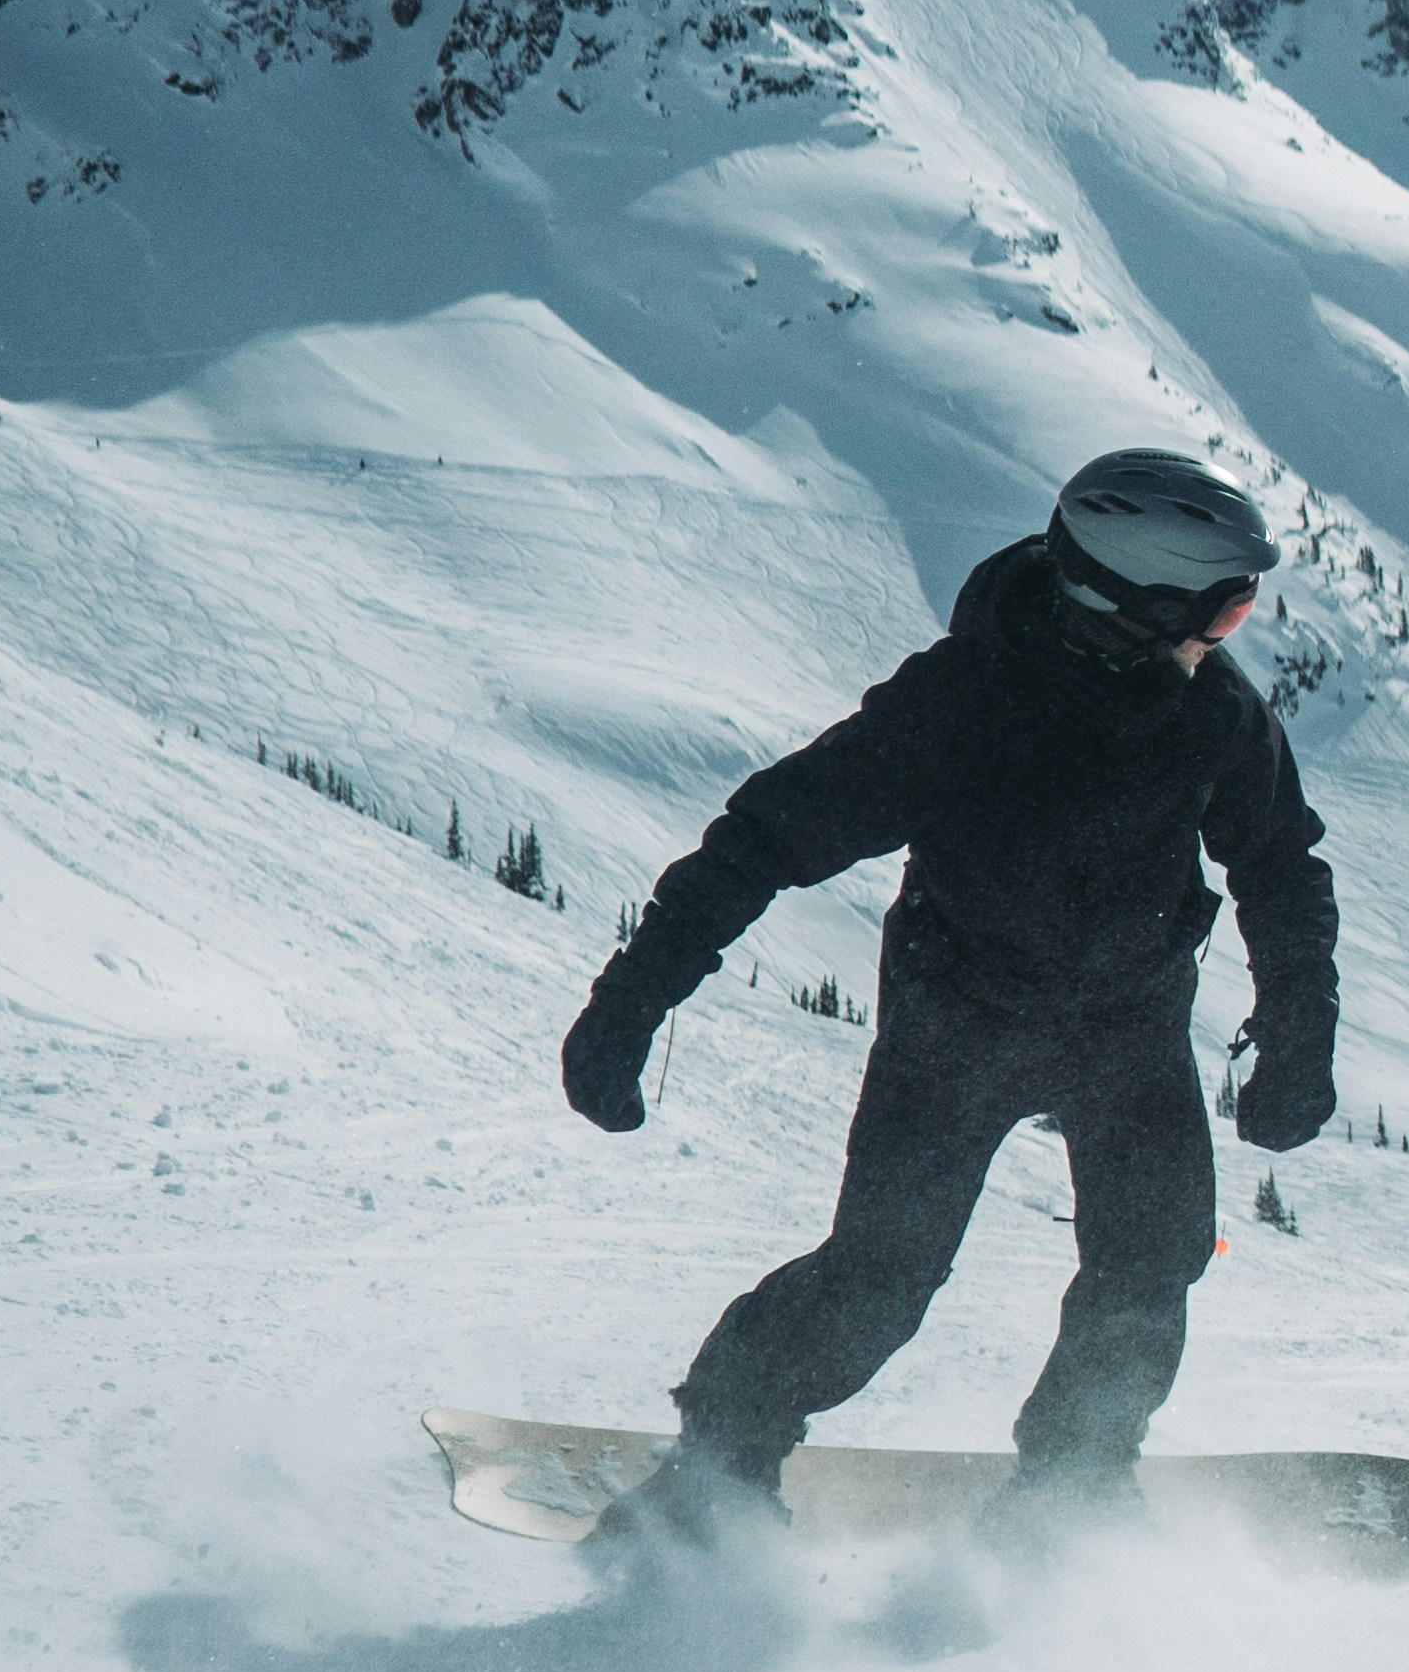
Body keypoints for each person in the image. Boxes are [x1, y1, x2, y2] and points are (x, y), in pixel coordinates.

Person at [559, 448, 1341, 1550]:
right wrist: (632, 997)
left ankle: (1073, 1478)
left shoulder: (1207, 710)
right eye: (1226, 607)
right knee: (881, 1276)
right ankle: (721, 1456)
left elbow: (1279, 860)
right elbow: (766, 837)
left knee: (1151, 1261)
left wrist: (1300, 1025)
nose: (1232, 633)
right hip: (957, 1021)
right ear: (1137, 601)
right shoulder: (961, 704)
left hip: (1126, 1022)